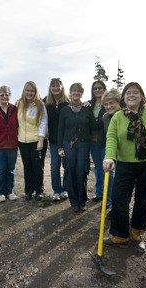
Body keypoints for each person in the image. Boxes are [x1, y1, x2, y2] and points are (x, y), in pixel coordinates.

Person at [102, 82, 146, 252]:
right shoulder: (118, 117)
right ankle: (120, 235)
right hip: (125, 164)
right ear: (123, 98)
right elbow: (111, 138)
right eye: (128, 93)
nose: (131, 95)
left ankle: (136, 232)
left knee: (143, 199)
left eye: (135, 93)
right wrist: (109, 156)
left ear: (142, 96)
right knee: (119, 198)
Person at [58, 83, 95, 212]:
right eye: (73, 91)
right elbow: (60, 130)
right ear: (70, 92)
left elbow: (94, 127)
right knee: (70, 171)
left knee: (82, 171)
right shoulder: (65, 110)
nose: (76, 93)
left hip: (84, 144)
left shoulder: (87, 109)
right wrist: (60, 147)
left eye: (78, 91)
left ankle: (82, 200)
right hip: (68, 144)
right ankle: (74, 202)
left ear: (81, 93)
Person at [17, 81, 48, 201]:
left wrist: (41, 141)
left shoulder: (40, 104)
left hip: (36, 140)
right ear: (24, 91)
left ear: (35, 92)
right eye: (27, 90)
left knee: (37, 166)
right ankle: (28, 191)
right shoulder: (19, 104)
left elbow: (43, 123)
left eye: (32, 91)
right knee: (27, 166)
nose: (29, 93)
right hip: (23, 141)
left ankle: (39, 191)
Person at [44, 78, 70, 201]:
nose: (55, 88)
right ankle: (56, 191)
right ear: (50, 88)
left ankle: (65, 189)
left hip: (67, 139)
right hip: (54, 140)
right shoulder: (46, 102)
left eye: (57, 85)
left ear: (61, 86)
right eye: (53, 86)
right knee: (55, 166)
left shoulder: (68, 101)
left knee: (67, 165)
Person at [100, 88, 122, 210]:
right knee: (118, 184)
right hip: (117, 155)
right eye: (106, 104)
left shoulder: (126, 114)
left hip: (133, 156)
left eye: (112, 103)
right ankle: (116, 209)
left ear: (119, 101)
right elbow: (110, 137)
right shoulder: (106, 118)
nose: (108, 106)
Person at [89, 80, 107, 202]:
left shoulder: (108, 104)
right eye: (95, 88)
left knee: (108, 168)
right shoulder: (89, 105)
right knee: (98, 167)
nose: (97, 90)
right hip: (92, 141)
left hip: (105, 141)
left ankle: (108, 196)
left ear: (104, 89)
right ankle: (99, 192)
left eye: (100, 88)